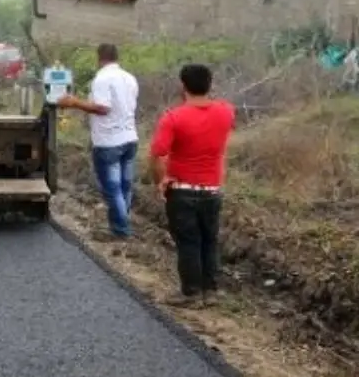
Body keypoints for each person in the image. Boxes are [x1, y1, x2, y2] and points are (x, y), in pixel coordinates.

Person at [149, 63, 235, 307]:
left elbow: (156, 155)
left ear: (182, 86)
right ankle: (212, 290)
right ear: (210, 85)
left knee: (188, 241)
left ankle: (191, 292)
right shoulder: (226, 112)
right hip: (212, 190)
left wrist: (160, 181)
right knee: (209, 240)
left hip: (182, 190)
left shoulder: (173, 118)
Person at [56, 43, 139, 239]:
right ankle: (123, 220)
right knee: (125, 185)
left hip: (109, 142)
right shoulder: (130, 78)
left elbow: (103, 108)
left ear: (100, 57)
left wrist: (74, 102)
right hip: (130, 138)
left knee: (112, 188)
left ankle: (121, 230)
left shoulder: (102, 78)